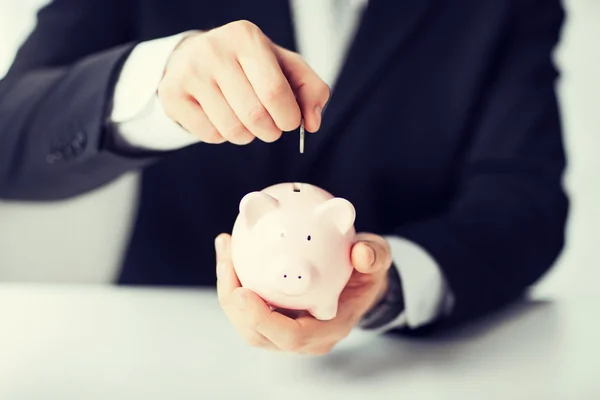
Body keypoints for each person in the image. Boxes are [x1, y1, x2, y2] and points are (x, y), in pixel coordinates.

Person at [0, 0, 568, 354]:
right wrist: (157, 81)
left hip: (397, 365)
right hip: (162, 349)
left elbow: (526, 201)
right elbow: (9, 136)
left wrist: (389, 285)